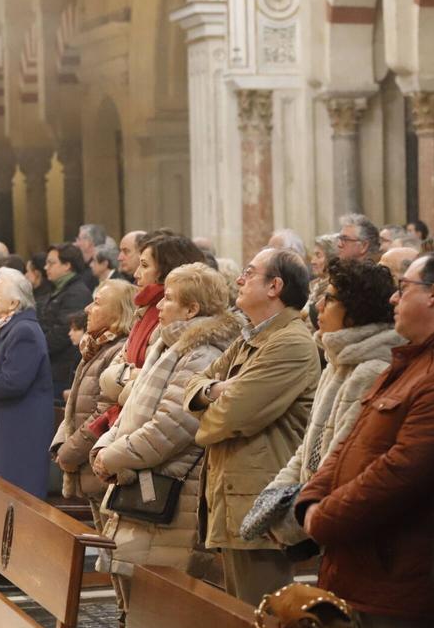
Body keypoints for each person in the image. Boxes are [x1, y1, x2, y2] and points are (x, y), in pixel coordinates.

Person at [296, 252, 434, 628]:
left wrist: (323, 519)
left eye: (404, 290)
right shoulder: (413, 361)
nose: (392, 300)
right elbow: (349, 442)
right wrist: (311, 498)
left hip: (406, 583)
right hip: (368, 573)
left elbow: (401, 472)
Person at [93, 264, 240, 628]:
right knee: (138, 589)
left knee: (163, 597)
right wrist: (106, 445)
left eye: (170, 298)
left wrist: (113, 455)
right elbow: (131, 407)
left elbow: (172, 426)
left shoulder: (203, 353)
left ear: (192, 310)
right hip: (138, 475)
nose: (160, 304)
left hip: (170, 490)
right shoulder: (171, 344)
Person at [185, 248, 320, 604]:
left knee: (263, 621)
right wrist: (214, 390)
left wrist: (209, 407)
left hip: (261, 506)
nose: (240, 280)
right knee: (240, 620)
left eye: (249, 273)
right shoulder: (251, 337)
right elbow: (192, 383)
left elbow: (230, 418)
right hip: (232, 494)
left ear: (275, 286)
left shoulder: (290, 342)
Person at [253, 257, 402, 545]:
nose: (318, 307)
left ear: (356, 309)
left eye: (330, 299)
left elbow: (340, 462)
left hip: (336, 522)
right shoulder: (338, 359)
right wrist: (269, 504)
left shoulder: (371, 368)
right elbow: (308, 447)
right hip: (313, 511)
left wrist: (293, 521)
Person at [0, 267, 55, 498]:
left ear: (15, 303)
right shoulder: (7, 327)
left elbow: (12, 381)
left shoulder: (24, 331)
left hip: (16, 431)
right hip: (2, 425)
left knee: (12, 498)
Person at [50, 280, 137, 508]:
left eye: (97, 303)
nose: (87, 309)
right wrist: (61, 444)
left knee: (106, 538)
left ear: (118, 312)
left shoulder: (118, 351)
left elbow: (104, 412)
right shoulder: (96, 348)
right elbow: (74, 406)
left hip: (99, 467)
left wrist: (69, 452)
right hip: (86, 464)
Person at [125, 235, 206, 370]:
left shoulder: (172, 315)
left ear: (167, 270)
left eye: (144, 265)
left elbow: (154, 376)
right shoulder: (144, 309)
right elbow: (118, 363)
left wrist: (120, 377)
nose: (136, 274)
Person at [41, 243, 94, 399]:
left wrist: (38, 346)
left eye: (51, 263)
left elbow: (63, 332)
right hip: (53, 366)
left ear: (67, 265)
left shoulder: (76, 293)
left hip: (62, 369)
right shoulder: (58, 289)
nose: (46, 267)